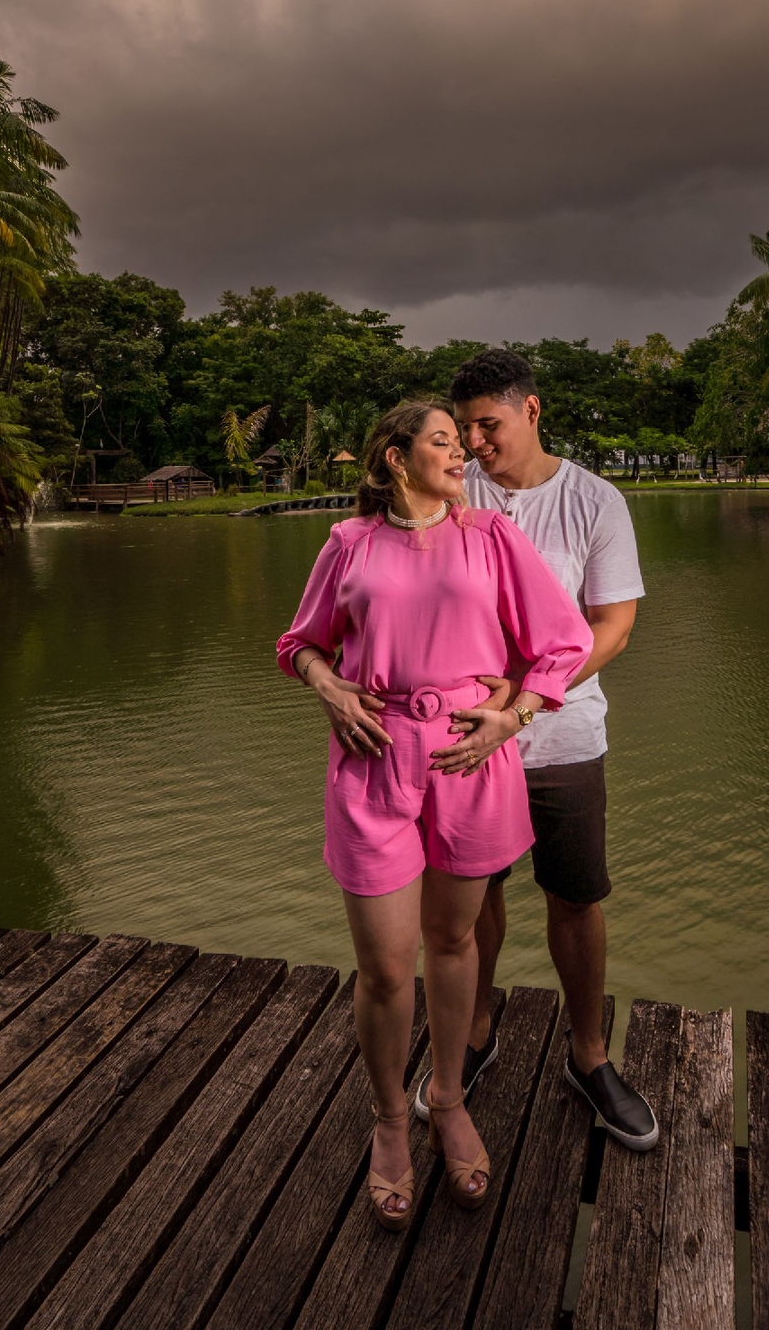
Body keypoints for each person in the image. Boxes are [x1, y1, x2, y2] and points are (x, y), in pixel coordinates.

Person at [276, 399, 592, 1229]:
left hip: (467, 760)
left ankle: (447, 1098)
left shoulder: (491, 538)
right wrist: (327, 684)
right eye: (445, 442)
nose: (464, 455)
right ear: (394, 457)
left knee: (454, 942)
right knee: (385, 967)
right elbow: (299, 642)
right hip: (374, 762)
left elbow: (561, 643)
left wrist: (514, 714)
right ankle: (389, 1120)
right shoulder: (347, 544)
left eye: (463, 442)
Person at [413, 348, 658, 1151]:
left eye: (489, 425)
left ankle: (588, 1056)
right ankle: (475, 1033)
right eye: (465, 430)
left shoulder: (594, 501)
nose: (475, 444)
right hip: (464, 743)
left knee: (576, 896)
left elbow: (613, 627)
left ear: (532, 410)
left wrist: (520, 701)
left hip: (562, 734)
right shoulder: (451, 497)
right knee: (474, 898)